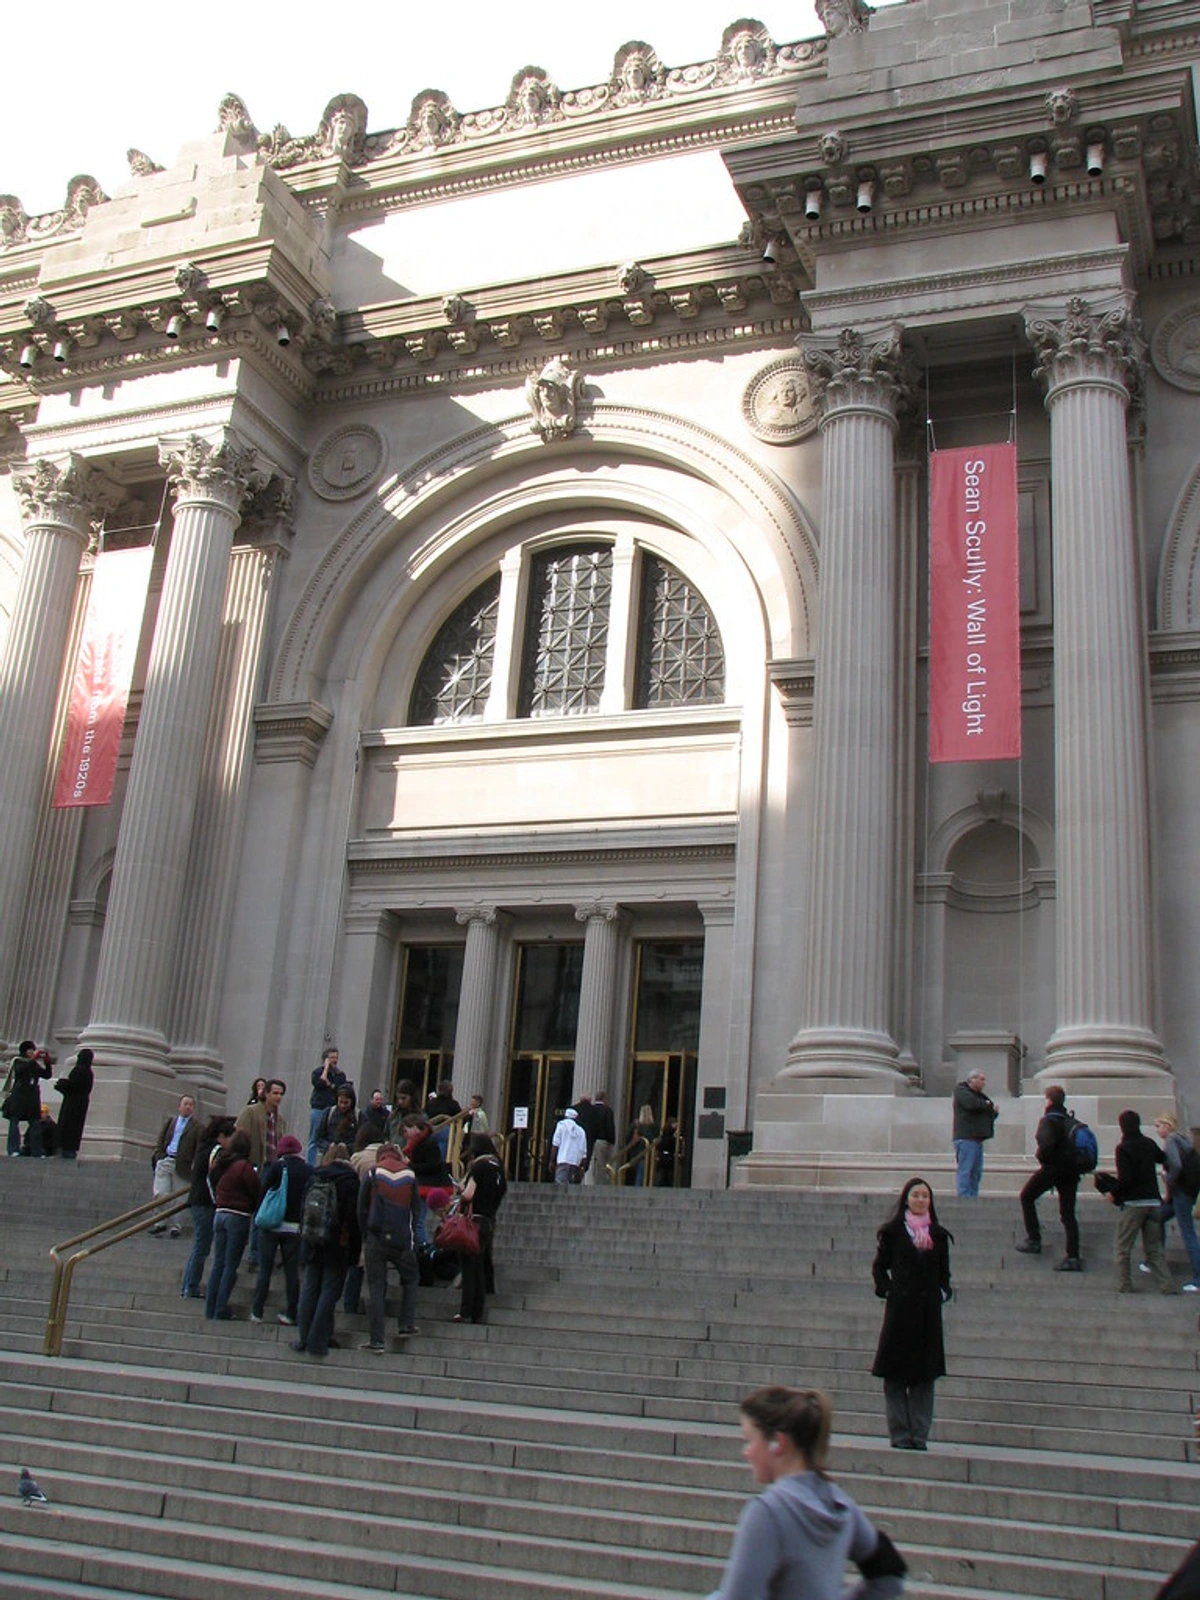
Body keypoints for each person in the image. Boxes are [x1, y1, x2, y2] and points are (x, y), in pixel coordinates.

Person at [706, 1386, 907, 1600]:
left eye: (749, 1439)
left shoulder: (767, 1512)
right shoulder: (840, 1504)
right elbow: (890, 1573)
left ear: (778, 1443)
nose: (745, 1452)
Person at [871, 1176, 952, 1451]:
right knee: (894, 1377)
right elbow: (879, 1268)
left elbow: (945, 1275)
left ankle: (919, 1434)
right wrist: (888, 1290)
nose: (920, 1200)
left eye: (925, 1196)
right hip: (900, 1313)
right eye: (916, 1195)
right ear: (906, 1198)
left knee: (923, 1378)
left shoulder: (939, 1236)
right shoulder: (892, 1233)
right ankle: (899, 1433)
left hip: (928, 1315)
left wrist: (942, 1292)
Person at [292, 1142, 361, 1359]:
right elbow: (354, 1219)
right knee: (329, 1292)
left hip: (312, 1240)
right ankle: (318, 1340)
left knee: (310, 1289)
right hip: (337, 1243)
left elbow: (303, 1208)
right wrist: (354, 1252)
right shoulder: (350, 1181)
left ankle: (303, 1337)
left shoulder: (315, 1175)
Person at [1102, 1109, 1174, 1294]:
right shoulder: (1148, 1143)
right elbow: (1163, 1158)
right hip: (1153, 1201)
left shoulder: (1123, 1148)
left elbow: (1126, 1179)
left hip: (1134, 1204)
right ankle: (1167, 1285)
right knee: (1154, 1249)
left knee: (1122, 1247)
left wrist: (1113, 1193)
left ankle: (1125, 1284)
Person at [357, 1141, 419, 1351]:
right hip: (402, 1237)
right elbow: (416, 1210)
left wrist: (365, 1232)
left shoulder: (373, 1173)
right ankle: (406, 1324)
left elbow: (361, 1206)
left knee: (376, 1287)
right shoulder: (410, 1175)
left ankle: (377, 1339)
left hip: (376, 1235)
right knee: (410, 1279)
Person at [1016, 1084, 1082, 1270]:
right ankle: (1073, 1257)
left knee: (1026, 1196)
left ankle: (1034, 1239)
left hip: (1052, 1169)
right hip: (1071, 1172)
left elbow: (1046, 1146)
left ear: (1049, 1100)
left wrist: (1042, 1158)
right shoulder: (1070, 1120)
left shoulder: (1048, 1120)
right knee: (1068, 1214)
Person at [250, 1133, 309, 1326]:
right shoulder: (308, 1170)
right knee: (292, 1272)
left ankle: (257, 1311)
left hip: (272, 1225)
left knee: (265, 1269)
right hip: (294, 1227)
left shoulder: (276, 1167)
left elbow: (263, 1191)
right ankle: (292, 1312)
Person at [205, 1130, 260, 1320]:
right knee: (230, 1265)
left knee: (218, 1263)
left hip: (219, 1213)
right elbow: (255, 1190)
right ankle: (221, 1307)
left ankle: (210, 1306)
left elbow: (211, 1182)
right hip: (238, 1215)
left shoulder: (220, 1164)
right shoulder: (243, 1167)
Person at [454, 1132, 508, 1325]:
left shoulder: (479, 1166)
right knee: (480, 1266)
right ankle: (478, 1310)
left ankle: (466, 1309)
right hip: (489, 1220)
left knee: (469, 1268)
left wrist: (461, 1192)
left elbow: (469, 1194)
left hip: (474, 1221)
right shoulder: (499, 1168)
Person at [180, 1115, 236, 1299]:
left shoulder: (204, 1147)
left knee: (199, 1245)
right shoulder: (215, 1152)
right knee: (202, 1246)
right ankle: (191, 1286)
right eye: (230, 1138)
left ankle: (188, 1286)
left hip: (197, 1199)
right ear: (222, 1136)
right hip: (205, 1201)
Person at [1153, 1114, 1200, 1292]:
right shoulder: (1184, 1141)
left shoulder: (1172, 1140)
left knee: (1188, 1233)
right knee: (1158, 1218)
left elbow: (1176, 1165)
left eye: (1158, 1126)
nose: (1157, 1130)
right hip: (1183, 1192)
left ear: (1167, 1126)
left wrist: (1168, 1179)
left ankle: (1198, 1278)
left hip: (1181, 1192)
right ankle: (1156, 1259)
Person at [149, 1094, 199, 1235]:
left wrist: (194, 1163)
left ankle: (176, 1226)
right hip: (166, 1159)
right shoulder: (171, 1122)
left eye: (190, 1104)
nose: (188, 1107)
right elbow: (161, 1138)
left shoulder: (197, 1126)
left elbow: (199, 1146)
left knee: (179, 1197)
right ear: (179, 1107)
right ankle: (160, 1222)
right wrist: (159, 1155)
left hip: (183, 1164)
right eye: (185, 1104)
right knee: (160, 1193)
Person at [951, 1069, 998, 1197]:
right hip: (966, 1138)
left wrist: (990, 1108)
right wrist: (987, 1105)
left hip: (977, 1139)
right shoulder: (962, 1091)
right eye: (981, 1079)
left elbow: (989, 1111)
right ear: (972, 1079)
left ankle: (972, 1196)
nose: (984, 1083)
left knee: (975, 1173)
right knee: (966, 1170)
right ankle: (964, 1197)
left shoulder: (980, 1096)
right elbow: (972, 1105)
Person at [5, 1041, 51, 1157]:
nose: (32, 1052)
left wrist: (47, 1062)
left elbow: (46, 1075)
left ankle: (37, 1151)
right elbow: (21, 1071)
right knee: (14, 1123)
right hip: (19, 1096)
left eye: (33, 1050)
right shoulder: (18, 1061)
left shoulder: (33, 1064)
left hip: (32, 1098)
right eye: (30, 1050)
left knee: (35, 1124)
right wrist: (33, 1060)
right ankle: (13, 1149)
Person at [54, 1048, 94, 1159]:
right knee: (75, 1129)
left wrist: (61, 1084)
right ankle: (70, 1150)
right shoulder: (89, 1072)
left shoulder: (78, 1070)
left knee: (67, 1127)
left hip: (72, 1102)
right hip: (82, 1103)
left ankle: (65, 1150)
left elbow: (72, 1086)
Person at [307, 1047, 345, 1163]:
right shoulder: (317, 1072)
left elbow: (340, 1089)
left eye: (336, 1058)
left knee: (330, 1139)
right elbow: (319, 1082)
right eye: (332, 1058)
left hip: (331, 1109)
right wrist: (326, 1070)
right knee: (314, 1138)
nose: (335, 1060)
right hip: (318, 1108)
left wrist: (329, 1084)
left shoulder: (339, 1075)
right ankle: (310, 1163)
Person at [550, 1105, 587, 1185]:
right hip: (575, 1163)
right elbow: (584, 1152)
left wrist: (552, 1160)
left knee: (560, 1185)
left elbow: (555, 1144)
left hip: (563, 1160)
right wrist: (582, 1166)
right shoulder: (581, 1131)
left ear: (565, 1116)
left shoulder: (561, 1127)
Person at [585, 1091, 616, 1186]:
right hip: (602, 1140)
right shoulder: (607, 1111)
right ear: (604, 1099)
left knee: (592, 1162)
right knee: (603, 1164)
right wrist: (611, 1141)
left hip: (590, 1140)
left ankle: (589, 1182)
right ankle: (602, 1184)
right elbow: (610, 1127)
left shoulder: (590, 1110)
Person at [625, 1103, 658, 1186]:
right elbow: (652, 1139)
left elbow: (627, 1138)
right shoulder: (651, 1127)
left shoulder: (636, 1125)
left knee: (640, 1173)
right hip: (645, 1154)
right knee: (642, 1174)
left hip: (636, 1154)